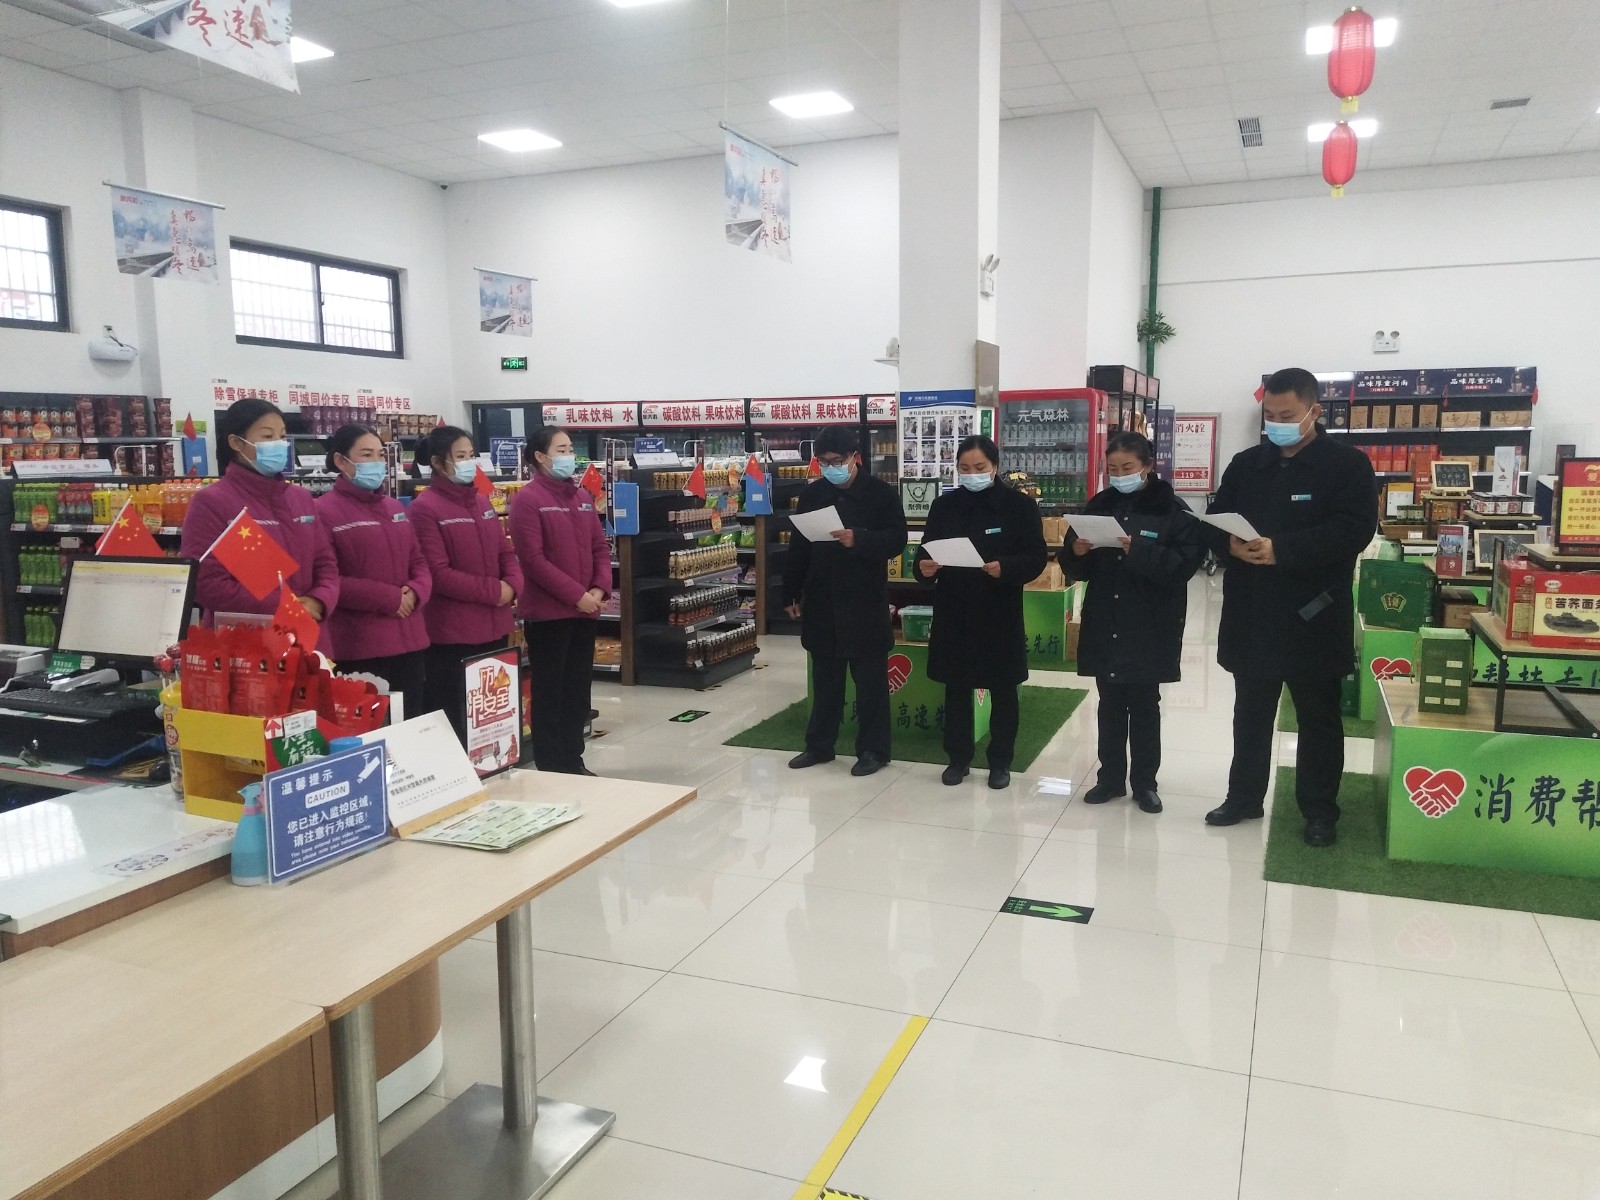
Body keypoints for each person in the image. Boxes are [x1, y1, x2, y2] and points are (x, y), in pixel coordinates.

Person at [1202, 367, 1378, 846]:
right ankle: (1243, 797)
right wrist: (1229, 546)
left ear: (1314, 411)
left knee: (1318, 717)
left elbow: (1354, 530)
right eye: (1270, 416)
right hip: (1253, 611)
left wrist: (1283, 549)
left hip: (1314, 613)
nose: (1277, 424)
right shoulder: (1246, 464)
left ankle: (1319, 810)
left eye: (1287, 416)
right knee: (1250, 712)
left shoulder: (1347, 466)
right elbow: (1215, 520)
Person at [1060, 432, 1205, 814]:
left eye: (1128, 468)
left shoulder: (1173, 510)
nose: (1120, 475)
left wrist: (1138, 549)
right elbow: (1075, 567)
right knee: (1108, 703)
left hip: (1149, 624)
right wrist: (1076, 551)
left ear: (1148, 466)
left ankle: (1145, 784)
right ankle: (1109, 779)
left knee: (1144, 705)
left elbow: (1181, 568)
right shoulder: (1099, 505)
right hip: (1105, 616)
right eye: (1113, 469)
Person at [914, 435, 1047, 790]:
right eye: (965, 468)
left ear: (995, 467)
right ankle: (958, 759)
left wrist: (1006, 567)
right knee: (956, 688)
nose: (972, 474)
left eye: (979, 467)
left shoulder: (1019, 507)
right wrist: (924, 567)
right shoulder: (944, 506)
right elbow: (925, 553)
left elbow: (1036, 557)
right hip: (954, 610)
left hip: (998, 610)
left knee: (1003, 689)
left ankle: (1000, 761)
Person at [781, 425, 908, 777]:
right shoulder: (813, 495)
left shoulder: (881, 494)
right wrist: (790, 591)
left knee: (870, 685)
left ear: (855, 458)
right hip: (822, 599)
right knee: (825, 682)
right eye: (823, 462)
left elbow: (897, 539)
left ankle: (873, 751)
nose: (830, 467)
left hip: (864, 600)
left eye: (836, 461)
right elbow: (799, 547)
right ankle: (819, 746)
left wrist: (860, 539)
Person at [508, 428, 612, 776]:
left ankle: (573, 759)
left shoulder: (581, 497)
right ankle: (552, 766)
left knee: (577, 691)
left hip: (585, 611)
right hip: (549, 614)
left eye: (570, 449)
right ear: (540, 456)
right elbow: (533, 560)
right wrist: (576, 595)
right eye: (562, 449)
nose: (569, 456)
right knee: (550, 692)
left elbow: (599, 547)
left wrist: (599, 588)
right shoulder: (527, 500)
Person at [409, 426, 522, 742]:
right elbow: (438, 573)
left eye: (471, 455)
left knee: (493, 715)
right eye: (460, 456)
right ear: (437, 462)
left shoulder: (482, 502)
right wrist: (495, 591)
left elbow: (505, 552)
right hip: (452, 634)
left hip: (495, 627)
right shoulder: (424, 508)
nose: (469, 462)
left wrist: (514, 583)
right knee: (457, 716)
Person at [182, 397, 338, 625]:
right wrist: (284, 607)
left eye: (282, 436)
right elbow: (205, 582)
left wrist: (319, 600)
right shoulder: (212, 502)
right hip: (244, 637)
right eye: (267, 436)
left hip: (308, 631)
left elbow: (326, 564)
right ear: (236, 443)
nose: (279, 444)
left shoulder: (301, 498)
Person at [314, 424, 432, 720]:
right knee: (371, 731)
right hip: (361, 645)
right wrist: (389, 598)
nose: (377, 463)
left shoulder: (395, 508)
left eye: (380, 455)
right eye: (366, 455)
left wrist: (416, 591)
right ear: (341, 461)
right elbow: (328, 577)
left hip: (410, 641)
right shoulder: (323, 511)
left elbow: (419, 561)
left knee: (409, 726)